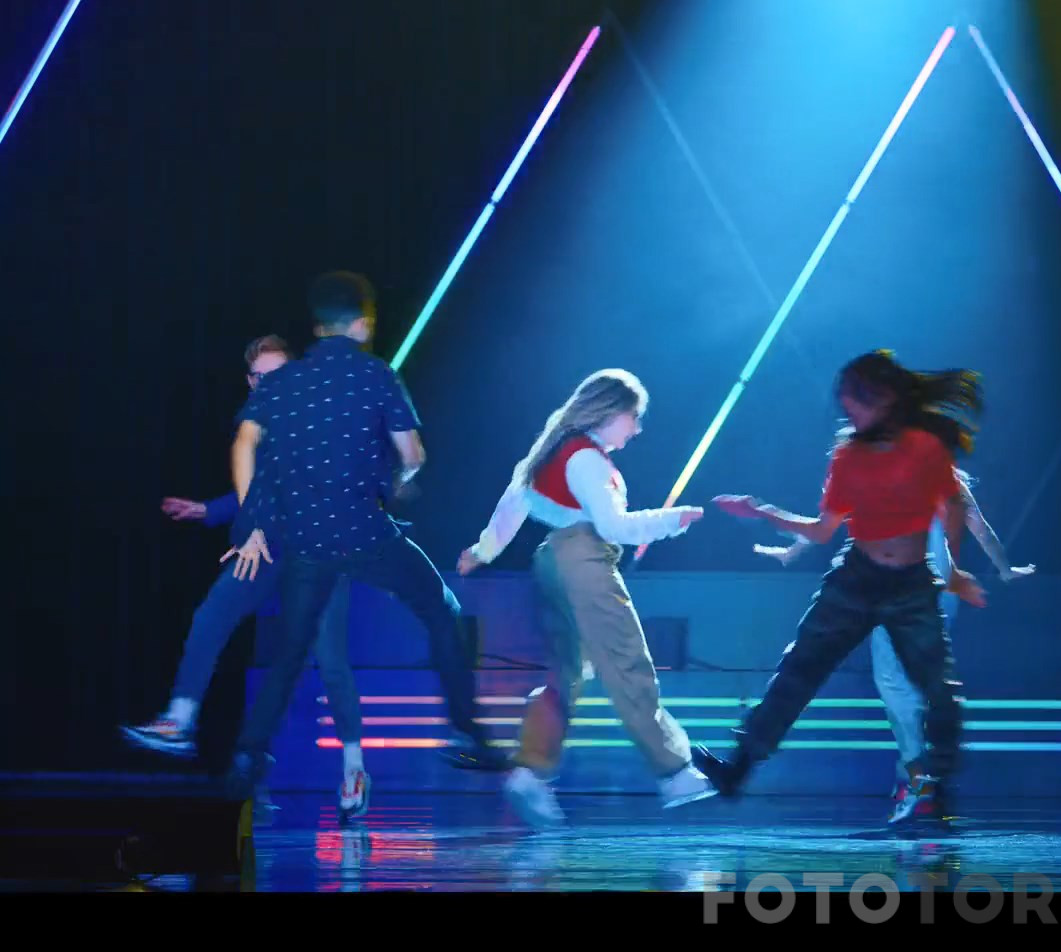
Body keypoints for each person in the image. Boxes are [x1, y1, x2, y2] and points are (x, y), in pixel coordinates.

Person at [221, 271, 508, 800]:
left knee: (291, 650)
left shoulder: (284, 382)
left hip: (308, 540)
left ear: (317, 326)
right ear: (361, 323)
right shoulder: (377, 375)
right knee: (441, 610)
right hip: (365, 533)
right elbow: (413, 454)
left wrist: (249, 518)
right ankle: (469, 732)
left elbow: (243, 443)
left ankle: (248, 752)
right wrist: (397, 480)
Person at [695, 350, 986, 829]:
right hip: (856, 578)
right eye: (847, 406)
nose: (849, 413)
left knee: (939, 688)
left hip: (911, 585)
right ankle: (738, 769)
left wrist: (952, 571)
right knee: (798, 669)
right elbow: (822, 529)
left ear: (885, 400)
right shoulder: (848, 455)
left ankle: (941, 788)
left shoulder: (925, 448)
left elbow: (952, 506)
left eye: (856, 404)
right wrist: (762, 511)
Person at [123, 335, 371, 822]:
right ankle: (180, 719)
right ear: (250, 382)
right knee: (212, 614)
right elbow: (255, 489)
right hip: (266, 546)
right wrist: (209, 510)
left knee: (330, 659)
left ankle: (354, 768)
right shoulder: (256, 424)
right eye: (260, 377)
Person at [456, 369, 716, 826]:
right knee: (626, 662)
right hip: (583, 562)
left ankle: (531, 771)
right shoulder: (586, 459)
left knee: (566, 675)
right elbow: (614, 527)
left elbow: (512, 506)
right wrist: (672, 520)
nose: (637, 429)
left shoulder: (554, 451)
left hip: (552, 562)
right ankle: (675, 772)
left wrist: (482, 551)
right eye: (634, 417)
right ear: (610, 411)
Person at [755, 467, 1032, 819]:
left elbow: (977, 525)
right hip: (930, 588)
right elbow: (979, 527)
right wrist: (1005, 568)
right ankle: (922, 780)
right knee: (909, 681)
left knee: (896, 683)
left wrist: (1005, 568)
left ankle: (920, 782)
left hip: (907, 585)